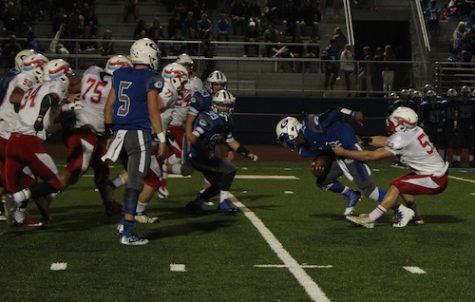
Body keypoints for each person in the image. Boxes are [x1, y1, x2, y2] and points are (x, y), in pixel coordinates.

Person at [333, 107, 449, 228]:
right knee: (403, 184)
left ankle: (370, 218)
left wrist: (344, 152)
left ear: (402, 124)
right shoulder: (415, 130)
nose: (390, 122)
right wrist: (364, 140)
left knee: (397, 185)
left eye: (395, 120)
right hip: (434, 175)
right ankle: (415, 216)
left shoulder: (402, 138)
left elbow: (371, 155)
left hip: (435, 179)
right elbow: (386, 141)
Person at [102, 38, 166, 246]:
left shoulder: (120, 74)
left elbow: (109, 107)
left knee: (133, 180)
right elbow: (153, 109)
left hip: (119, 134)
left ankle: (123, 223)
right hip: (138, 134)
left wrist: (110, 133)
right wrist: (161, 137)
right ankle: (127, 232)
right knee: (135, 184)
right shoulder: (152, 77)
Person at [58, 55, 133, 217]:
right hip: (88, 131)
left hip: (79, 124)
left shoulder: (91, 71)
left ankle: (109, 204)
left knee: (101, 170)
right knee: (75, 170)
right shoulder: (117, 86)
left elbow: (74, 88)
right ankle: (41, 193)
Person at [2, 59, 75, 225]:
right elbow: (50, 98)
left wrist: (69, 107)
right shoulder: (57, 85)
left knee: (20, 183)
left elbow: (44, 109)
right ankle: (17, 199)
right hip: (30, 143)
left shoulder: (32, 88)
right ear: (61, 73)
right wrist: (41, 117)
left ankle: (19, 217)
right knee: (56, 183)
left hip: (13, 140)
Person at [275, 108, 387, 216]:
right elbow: (326, 153)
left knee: (369, 190)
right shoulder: (303, 150)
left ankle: (398, 208)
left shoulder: (311, 125)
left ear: (291, 129)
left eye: (285, 138)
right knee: (323, 181)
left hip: (347, 144)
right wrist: (319, 165)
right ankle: (351, 194)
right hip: (339, 153)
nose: (286, 143)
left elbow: (335, 111)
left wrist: (353, 114)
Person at [186, 90, 258, 215]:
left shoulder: (227, 121)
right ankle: (223, 203)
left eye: (227, 105)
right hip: (198, 156)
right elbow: (192, 138)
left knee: (218, 184)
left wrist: (247, 153)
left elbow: (231, 141)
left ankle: (195, 204)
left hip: (207, 156)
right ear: (215, 104)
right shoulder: (209, 118)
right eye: (222, 105)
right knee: (229, 169)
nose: (224, 108)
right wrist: (205, 150)